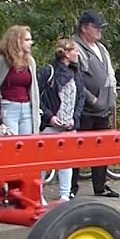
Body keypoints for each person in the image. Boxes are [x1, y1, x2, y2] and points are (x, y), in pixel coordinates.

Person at [73, 11, 120, 198]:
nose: (99, 30)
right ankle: (71, 188)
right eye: (96, 27)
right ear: (84, 27)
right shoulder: (75, 47)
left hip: (103, 107)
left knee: (102, 148)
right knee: (78, 148)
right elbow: (75, 78)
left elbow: (110, 74)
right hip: (85, 108)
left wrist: (113, 97)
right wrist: (91, 98)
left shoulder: (102, 49)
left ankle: (100, 186)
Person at [38, 38, 87, 201]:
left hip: (69, 125)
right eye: (75, 50)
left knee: (66, 161)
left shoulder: (76, 73)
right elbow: (38, 96)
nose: (78, 54)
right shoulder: (48, 71)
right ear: (66, 53)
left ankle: (65, 194)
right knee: (43, 161)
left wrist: (75, 117)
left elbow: (81, 97)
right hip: (50, 125)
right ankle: (38, 194)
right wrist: (49, 116)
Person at [0, 25, 40, 136]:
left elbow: (33, 89)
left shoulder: (30, 61)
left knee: (27, 145)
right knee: (11, 145)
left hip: (27, 108)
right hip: (8, 107)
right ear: (17, 41)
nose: (31, 43)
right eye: (27, 40)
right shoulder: (0, 59)